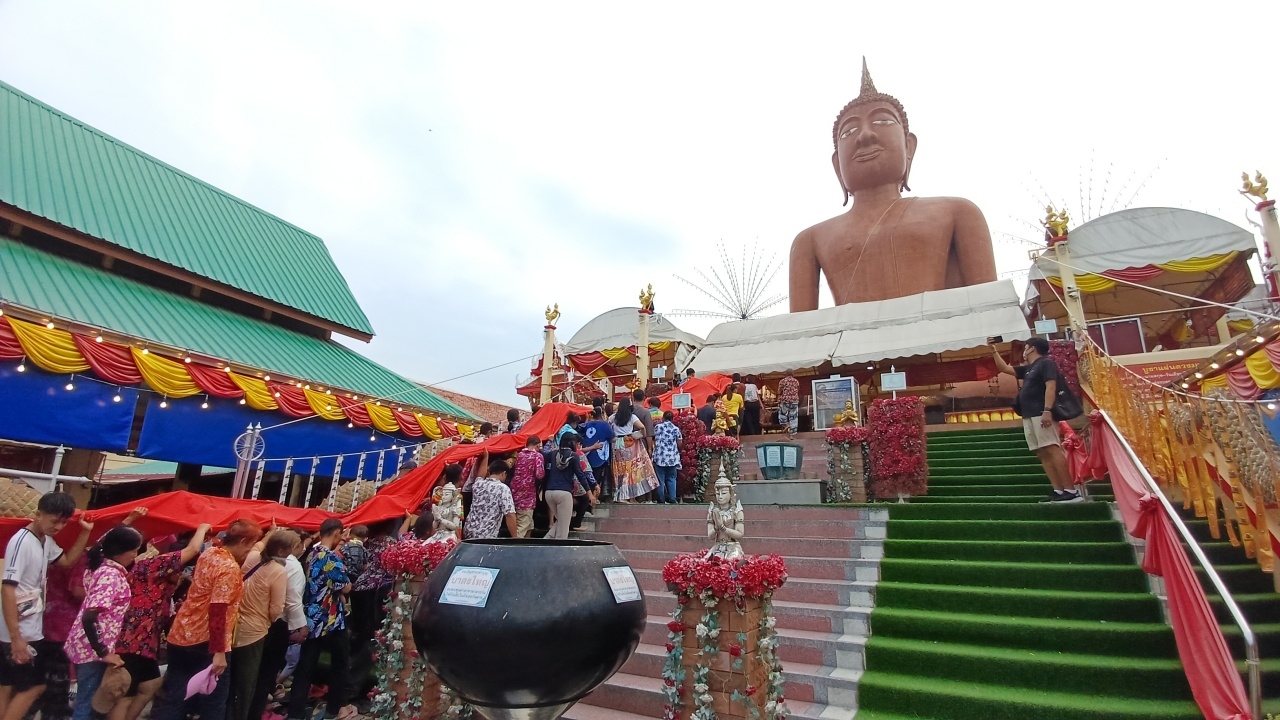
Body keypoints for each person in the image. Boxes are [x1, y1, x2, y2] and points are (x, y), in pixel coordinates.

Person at [788, 58, 996, 311]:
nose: (865, 136)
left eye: (883, 122)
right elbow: (801, 331)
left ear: (909, 147)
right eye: (848, 132)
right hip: (849, 349)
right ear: (836, 165)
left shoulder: (958, 212)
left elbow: (991, 314)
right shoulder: (810, 240)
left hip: (944, 346)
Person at [152, 519, 263, 720]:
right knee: (213, 702)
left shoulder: (210, 553)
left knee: (175, 696)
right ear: (243, 541)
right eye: (251, 545)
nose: (251, 551)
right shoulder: (229, 568)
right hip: (207, 641)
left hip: (181, 633)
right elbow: (218, 610)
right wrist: (219, 651)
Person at [0, 492, 93, 720]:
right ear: (38, 515)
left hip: (26, 627)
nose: (59, 526)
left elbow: (67, 561)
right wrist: (16, 638)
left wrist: (85, 533)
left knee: (7, 685)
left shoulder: (46, 542)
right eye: (54, 521)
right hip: (20, 630)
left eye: (63, 521)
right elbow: (7, 588)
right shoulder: (21, 542)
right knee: (34, 687)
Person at [109, 524, 211, 720]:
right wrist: (203, 528)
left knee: (150, 684)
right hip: (134, 637)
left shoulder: (168, 578)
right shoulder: (158, 564)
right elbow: (193, 549)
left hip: (144, 640)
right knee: (126, 692)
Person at [64, 525, 143, 720]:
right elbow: (90, 616)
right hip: (92, 651)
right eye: (132, 550)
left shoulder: (100, 566)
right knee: (87, 705)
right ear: (118, 551)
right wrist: (104, 652)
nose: (135, 554)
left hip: (87, 646)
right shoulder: (110, 575)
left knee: (88, 703)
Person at [991, 338, 1079, 503]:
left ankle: (1071, 490)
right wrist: (993, 350)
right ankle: (1058, 490)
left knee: (1052, 448)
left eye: (1025, 348)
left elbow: (1051, 386)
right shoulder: (1029, 369)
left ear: (1031, 349)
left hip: (1041, 412)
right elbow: (1004, 368)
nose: (1023, 351)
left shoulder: (1046, 364)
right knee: (1041, 451)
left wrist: (1047, 410)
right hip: (1029, 414)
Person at [287, 519, 353, 720]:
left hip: (312, 616)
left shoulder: (311, 554)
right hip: (331, 619)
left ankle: (295, 712)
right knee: (340, 664)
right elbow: (346, 586)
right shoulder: (330, 557)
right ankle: (334, 709)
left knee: (305, 667)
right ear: (336, 533)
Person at [226, 530, 290, 720]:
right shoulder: (278, 571)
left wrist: (271, 532)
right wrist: (269, 620)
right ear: (283, 550)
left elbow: (257, 546)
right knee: (246, 684)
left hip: (234, 625)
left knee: (229, 679)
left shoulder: (253, 557)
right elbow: (276, 609)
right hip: (254, 631)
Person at [246, 530, 306, 720]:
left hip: (247, 622)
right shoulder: (288, 568)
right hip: (271, 623)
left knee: (249, 674)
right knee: (265, 674)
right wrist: (301, 625)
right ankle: (254, 713)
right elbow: (288, 603)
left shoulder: (255, 557)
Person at [544, 434, 597, 539]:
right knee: (563, 532)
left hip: (549, 492)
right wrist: (590, 494)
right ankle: (557, 553)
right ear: (572, 443)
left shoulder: (553, 454)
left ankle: (545, 542)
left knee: (561, 522)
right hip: (564, 494)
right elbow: (580, 475)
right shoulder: (574, 455)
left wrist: (549, 442)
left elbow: (543, 455)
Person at [611, 399, 660, 503]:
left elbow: (608, 427)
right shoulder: (632, 417)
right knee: (631, 470)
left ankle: (620, 496)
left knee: (620, 471)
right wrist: (642, 434)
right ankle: (631, 497)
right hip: (630, 443)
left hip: (617, 444)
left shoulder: (613, 417)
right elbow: (642, 426)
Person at [463, 459, 518, 540]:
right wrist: (515, 537)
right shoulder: (503, 488)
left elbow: (480, 475)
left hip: (469, 531)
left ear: (489, 472)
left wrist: (485, 457)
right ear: (504, 473)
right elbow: (509, 514)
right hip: (487, 536)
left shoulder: (478, 484)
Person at [509, 436, 545, 538]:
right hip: (528, 493)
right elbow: (540, 474)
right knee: (523, 524)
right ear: (538, 444)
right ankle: (513, 548)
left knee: (529, 524)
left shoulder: (519, 455)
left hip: (515, 491)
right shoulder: (537, 456)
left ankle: (525, 546)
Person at [580, 408, 616, 499]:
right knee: (596, 478)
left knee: (586, 477)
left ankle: (586, 497)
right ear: (602, 414)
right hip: (599, 456)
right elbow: (612, 438)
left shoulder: (586, 425)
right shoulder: (605, 425)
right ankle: (593, 498)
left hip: (586, 455)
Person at [652, 411, 684, 504]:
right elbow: (679, 442)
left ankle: (661, 499)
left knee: (660, 479)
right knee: (672, 478)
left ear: (663, 418)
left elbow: (653, 438)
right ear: (672, 418)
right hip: (672, 458)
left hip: (660, 457)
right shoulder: (675, 429)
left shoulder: (658, 427)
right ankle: (672, 498)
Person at [777, 370, 801, 436]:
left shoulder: (782, 381)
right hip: (794, 401)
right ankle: (793, 433)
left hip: (785, 400)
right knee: (794, 416)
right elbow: (797, 390)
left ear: (785, 374)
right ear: (792, 374)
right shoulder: (796, 381)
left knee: (782, 414)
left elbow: (779, 391)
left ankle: (785, 424)